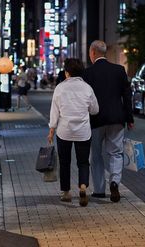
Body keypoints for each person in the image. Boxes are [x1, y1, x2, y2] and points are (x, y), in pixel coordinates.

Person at [82, 40, 134, 203]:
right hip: (116, 118)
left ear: (93, 53)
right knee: (116, 152)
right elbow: (127, 95)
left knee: (96, 154)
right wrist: (129, 118)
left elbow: (85, 99)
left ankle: (99, 190)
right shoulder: (119, 70)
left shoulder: (87, 73)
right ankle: (114, 182)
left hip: (96, 120)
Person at [48, 58, 99, 207]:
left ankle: (66, 193)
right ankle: (83, 186)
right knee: (83, 162)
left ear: (67, 72)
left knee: (65, 162)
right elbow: (95, 110)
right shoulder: (87, 88)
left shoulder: (60, 88)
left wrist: (52, 129)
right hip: (83, 131)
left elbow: (54, 112)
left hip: (64, 131)